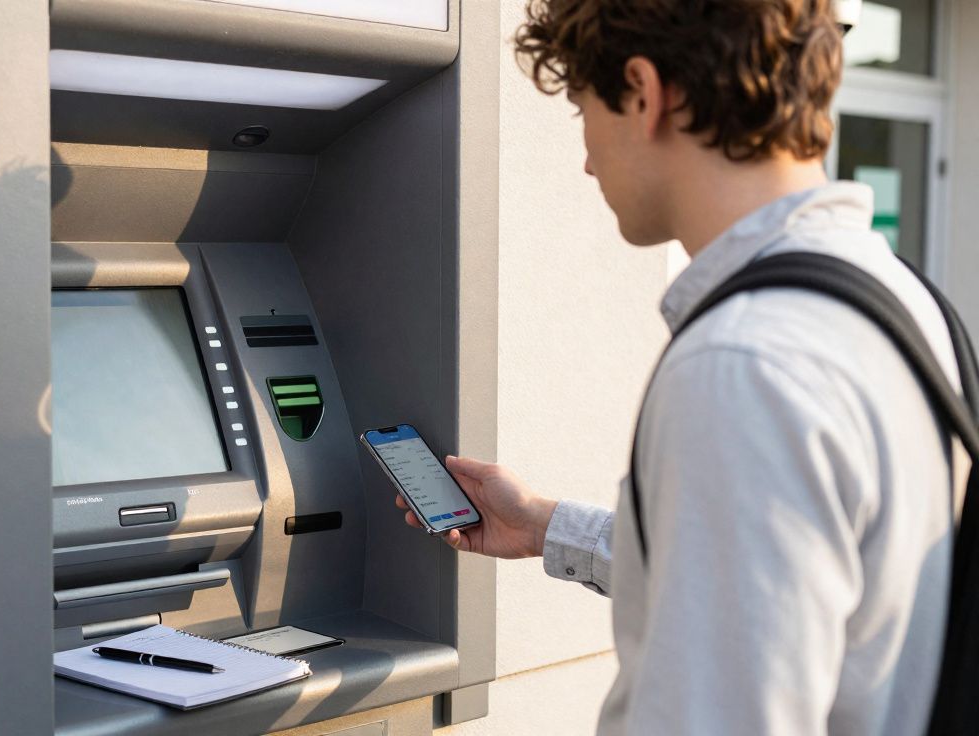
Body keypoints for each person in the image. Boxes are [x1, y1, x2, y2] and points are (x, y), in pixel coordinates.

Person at [396, 1, 960, 733]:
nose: (589, 158)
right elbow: (770, 591)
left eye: (585, 111)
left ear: (644, 92)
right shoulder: (902, 300)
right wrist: (544, 526)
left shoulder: (743, 364)